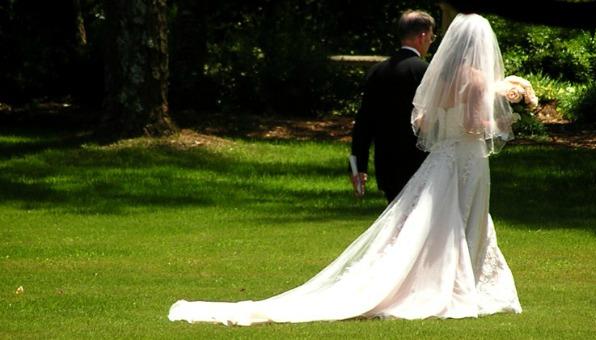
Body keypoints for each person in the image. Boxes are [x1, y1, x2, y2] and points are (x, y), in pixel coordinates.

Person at [168, 13, 522, 325]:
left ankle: (442, 281)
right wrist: (508, 108)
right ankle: (457, 285)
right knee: (461, 220)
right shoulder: (469, 78)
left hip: (432, 161)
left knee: (431, 226)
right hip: (462, 160)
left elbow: (419, 123)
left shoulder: (424, 75)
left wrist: (358, 162)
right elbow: (479, 126)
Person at [350, 10, 435, 203]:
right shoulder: (424, 71)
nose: (430, 42)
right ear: (422, 36)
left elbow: (364, 122)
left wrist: (358, 165)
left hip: (386, 161)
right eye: (431, 37)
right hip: (418, 161)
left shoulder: (377, 71)